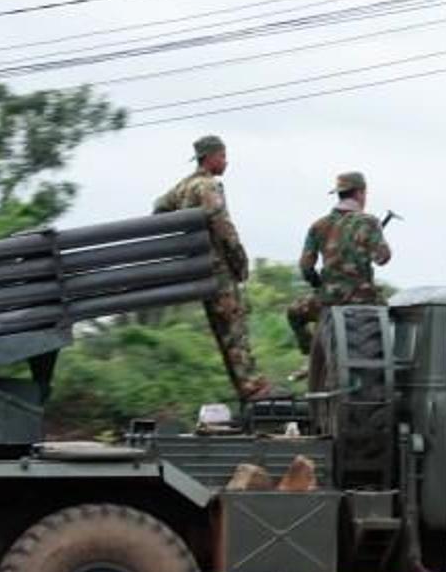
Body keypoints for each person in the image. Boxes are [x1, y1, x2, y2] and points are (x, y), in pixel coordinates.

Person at [153, 135, 276, 401]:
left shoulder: (183, 187)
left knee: (222, 330)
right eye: (222, 155)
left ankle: (246, 388)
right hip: (217, 268)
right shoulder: (208, 186)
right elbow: (223, 226)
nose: (226, 161)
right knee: (234, 328)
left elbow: (158, 208)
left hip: (196, 268)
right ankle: (253, 387)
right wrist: (239, 261)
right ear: (210, 157)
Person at [286, 171, 391, 355]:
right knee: (393, 318)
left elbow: (306, 268)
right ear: (360, 193)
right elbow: (382, 258)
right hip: (365, 299)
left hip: (328, 301)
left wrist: (320, 285)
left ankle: (311, 352)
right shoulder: (369, 222)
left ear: (339, 194)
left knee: (294, 313)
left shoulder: (318, 225)